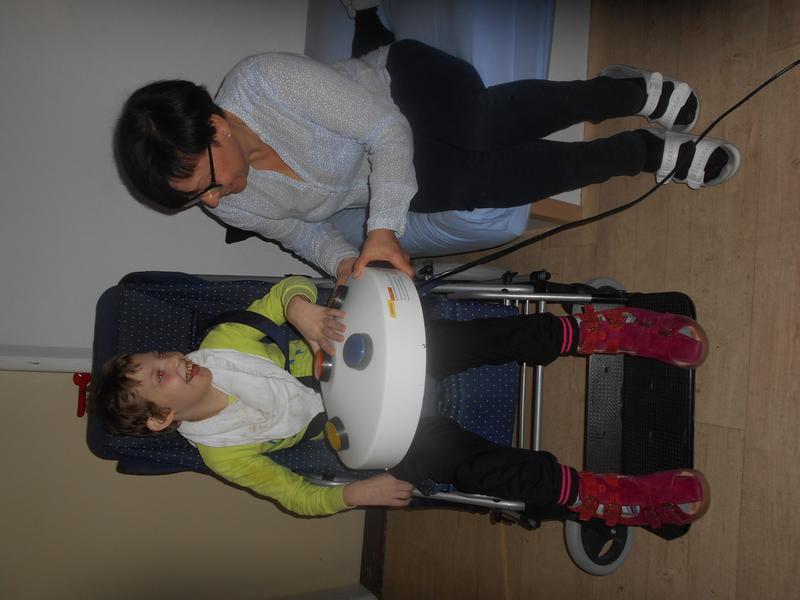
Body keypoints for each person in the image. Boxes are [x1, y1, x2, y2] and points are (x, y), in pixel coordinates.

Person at [114, 7, 741, 281]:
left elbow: (386, 130)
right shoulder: (228, 201)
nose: (216, 202)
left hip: (400, 89)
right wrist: (344, 265)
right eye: (197, 199)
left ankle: (623, 92)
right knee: (469, 185)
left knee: (478, 128)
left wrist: (383, 228)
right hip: (395, 164)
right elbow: (300, 233)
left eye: (208, 183)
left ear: (217, 125)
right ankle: (640, 155)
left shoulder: (264, 82)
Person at [88, 274, 710, 528]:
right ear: (163, 418)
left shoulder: (225, 341)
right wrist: (353, 494)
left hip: (358, 357)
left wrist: (300, 309)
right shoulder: (224, 454)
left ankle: (591, 332)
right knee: (466, 465)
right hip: (350, 429)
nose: (176, 362)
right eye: (162, 376)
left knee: (463, 339)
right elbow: (294, 495)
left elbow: (281, 292)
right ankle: (594, 495)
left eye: (163, 355)